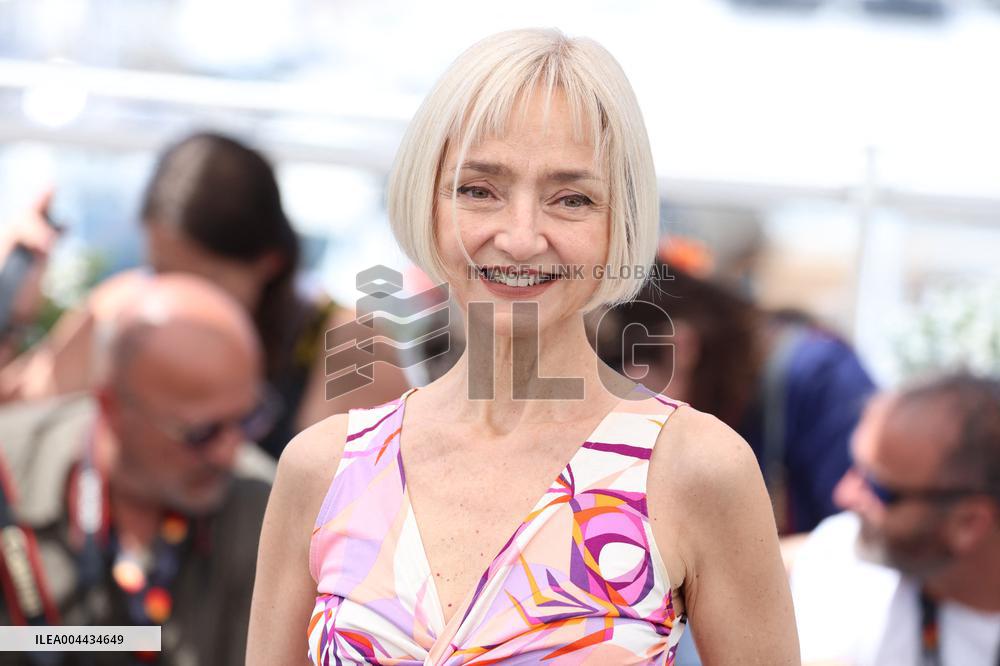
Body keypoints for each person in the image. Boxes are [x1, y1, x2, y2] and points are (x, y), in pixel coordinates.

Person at [247, 28, 798, 665]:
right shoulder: (321, 468)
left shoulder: (696, 470)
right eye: (480, 189)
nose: (521, 236)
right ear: (429, 205)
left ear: (620, 224)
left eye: (571, 199)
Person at [0, 132, 411, 458]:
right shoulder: (127, 313)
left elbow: (331, 518)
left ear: (268, 263)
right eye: (161, 273)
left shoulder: (354, 348)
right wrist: (10, 308)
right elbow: (14, 418)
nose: (179, 299)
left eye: (202, 281)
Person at [0, 274, 276, 664]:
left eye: (249, 419)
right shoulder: (10, 472)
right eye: (202, 432)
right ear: (112, 408)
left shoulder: (270, 509)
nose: (229, 453)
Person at [600, 258, 876, 534]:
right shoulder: (713, 405)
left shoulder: (820, 376)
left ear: (679, 347)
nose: (605, 395)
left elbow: (865, 535)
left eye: (611, 368)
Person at [790, 372, 1000, 665]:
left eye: (877, 487)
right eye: (856, 468)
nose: (844, 494)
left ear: (969, 522)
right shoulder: (836, 566)